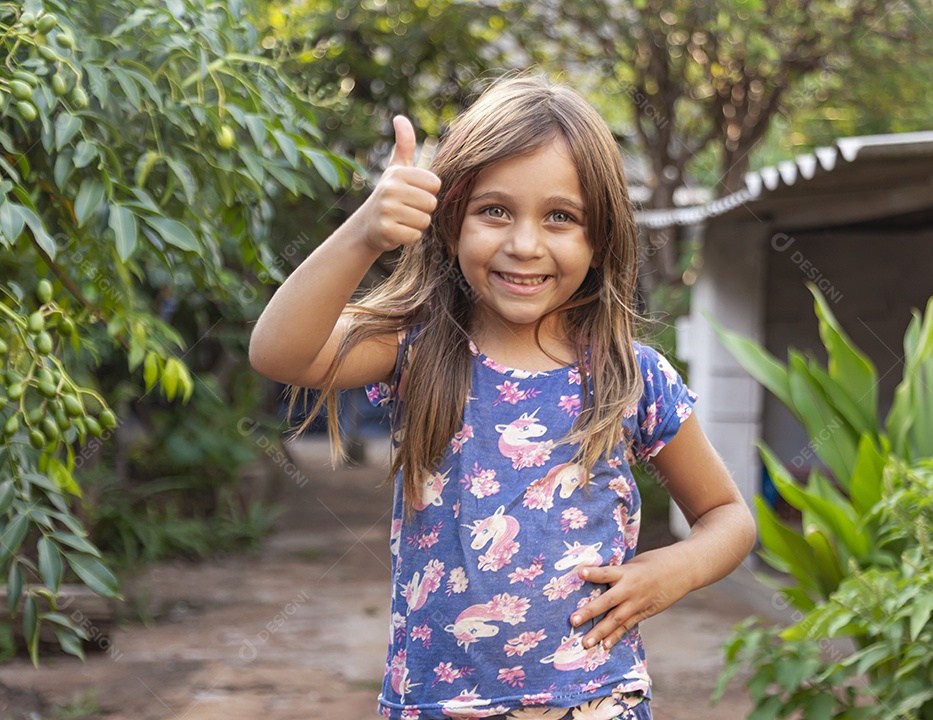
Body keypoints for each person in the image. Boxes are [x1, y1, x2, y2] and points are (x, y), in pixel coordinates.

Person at [248, 73, 756, 720]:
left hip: (595, 702)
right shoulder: (417, 348)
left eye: (561, 218)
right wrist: (364, 234)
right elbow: (278, 351)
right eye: (494, 211)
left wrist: (672, 572)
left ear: (599, 238)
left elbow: (729, 519)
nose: (524, 244)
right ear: (451, 222)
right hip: (437, 704)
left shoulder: (631, 376)